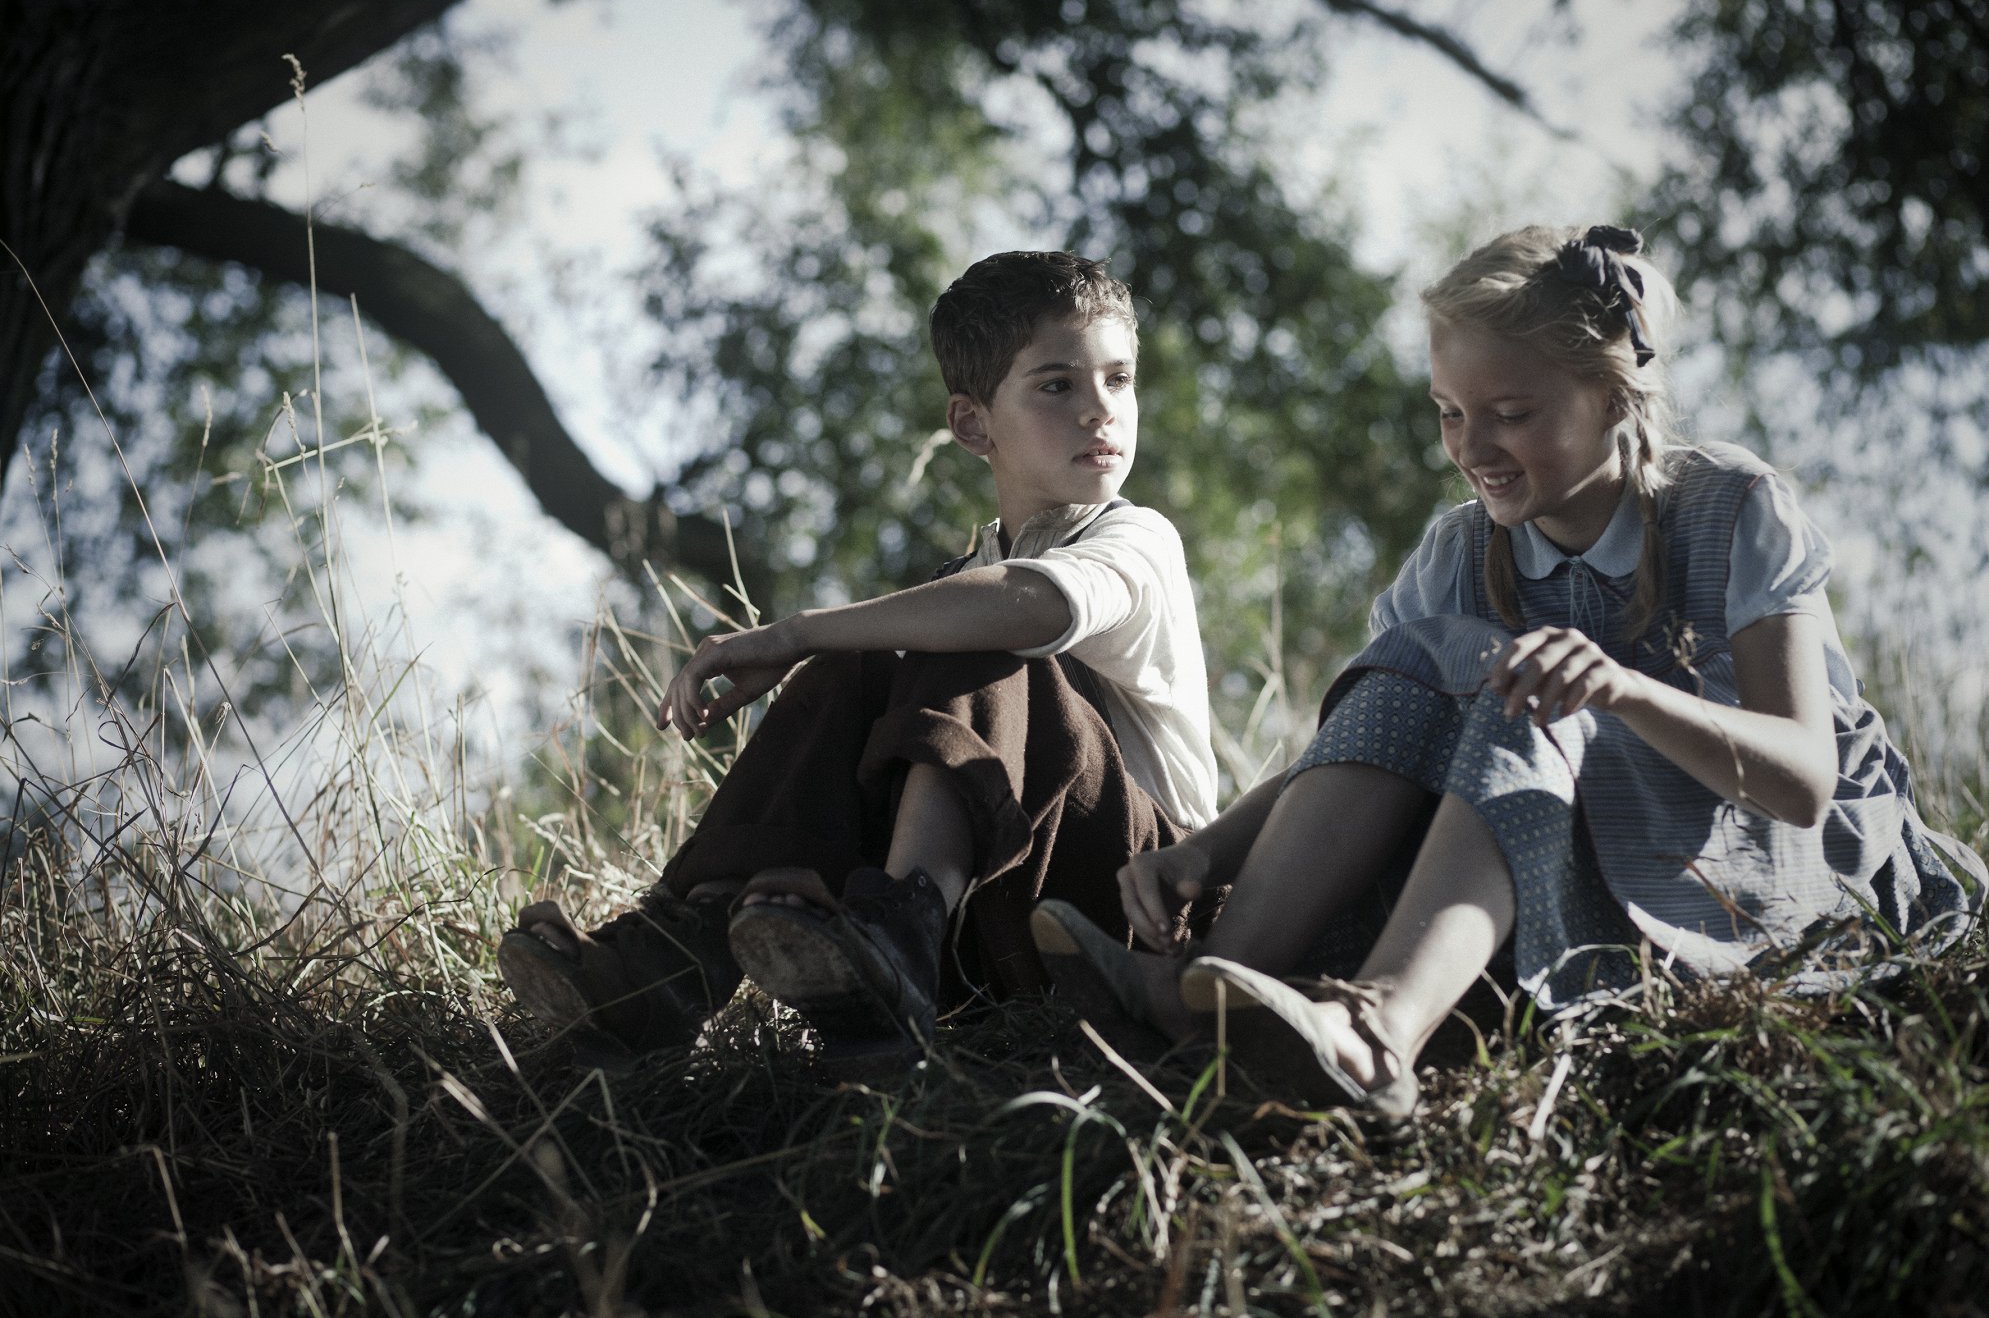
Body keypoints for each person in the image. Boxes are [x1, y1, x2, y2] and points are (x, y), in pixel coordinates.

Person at [1031, 224, 1984, 1116]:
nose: (1471, 447)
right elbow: (1361, 744)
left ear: (1616, 397)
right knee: (1414, 665)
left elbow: (1804, 783)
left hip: (1754, 854)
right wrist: (1209, 850)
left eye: (1511, 414)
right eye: (1449, 413)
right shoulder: (1460, 552)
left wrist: (1618, 689)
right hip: (1560, 825)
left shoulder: (1728, 508)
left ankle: (1379, 1033)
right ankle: (1217, 985)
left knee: (1531, 693)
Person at [499, 250, 1218, 1062]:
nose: (1100, 410)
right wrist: (827, 657)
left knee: (962, 634)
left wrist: (796, 631)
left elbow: (1033, 602)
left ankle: (896, 929)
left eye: (1118, 380)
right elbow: (972, 603)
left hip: (1136, 911)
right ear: (972, 423)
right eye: (1057, 385)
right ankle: (667, 965)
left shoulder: (1135, 537)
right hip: (995, 935)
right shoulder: (971, 575)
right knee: (869, 657)